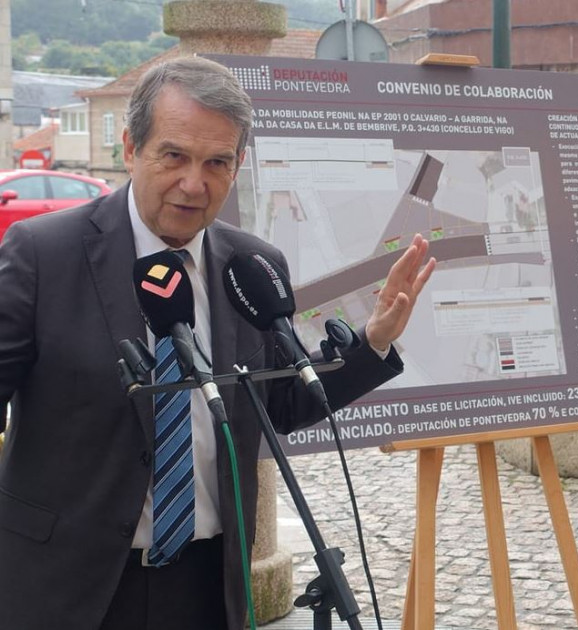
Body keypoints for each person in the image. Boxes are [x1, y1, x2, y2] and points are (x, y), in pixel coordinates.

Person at [0, 56, 436, 630]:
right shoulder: (42, 253)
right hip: (69, 586)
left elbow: (281, 402)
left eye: (216, 162)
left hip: (208, 582)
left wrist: (373, 341)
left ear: (239, 165)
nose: (193, 183)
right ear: (131, 148)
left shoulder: (253, 266)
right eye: (174, 155)